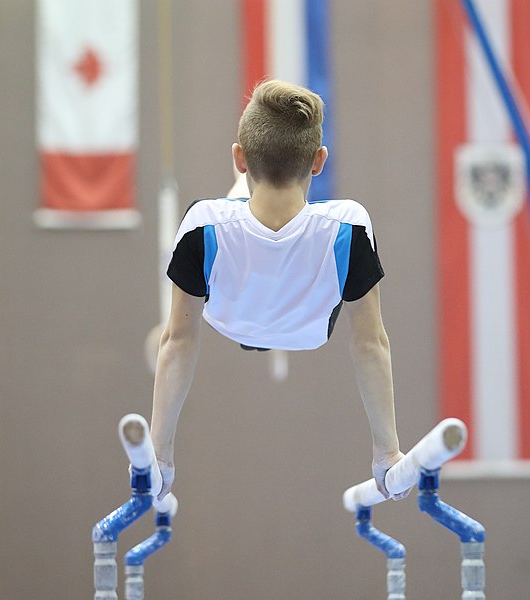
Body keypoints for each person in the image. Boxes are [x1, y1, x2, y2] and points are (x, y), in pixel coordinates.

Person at [150, 79, 409, 503]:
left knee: (226, 212)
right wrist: (387, 450)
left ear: (238, 157)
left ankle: (251, 189)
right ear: (319, 161)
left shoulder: (203, 225)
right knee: (238, 213)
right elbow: (370, 342)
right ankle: (263, 191)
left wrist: (160, 456)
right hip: (308, 328)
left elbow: (178, 341)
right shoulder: (347, 226)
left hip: (230, 317)